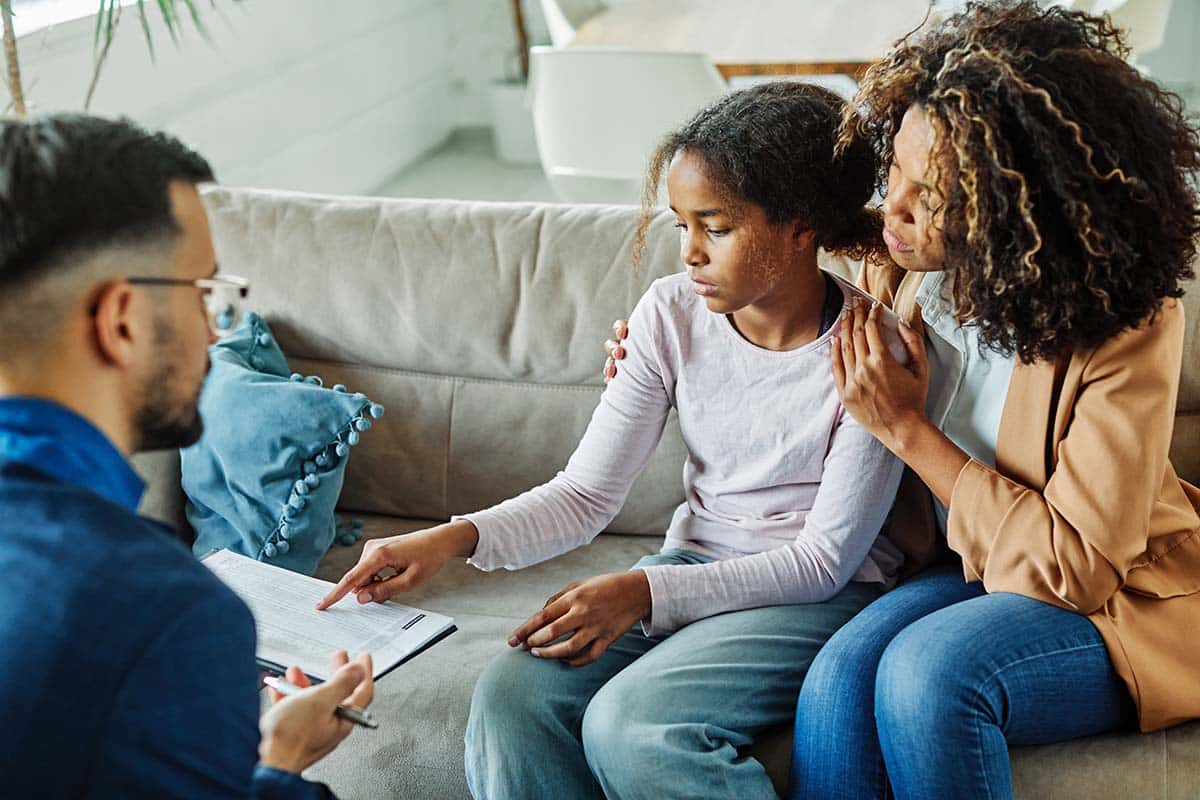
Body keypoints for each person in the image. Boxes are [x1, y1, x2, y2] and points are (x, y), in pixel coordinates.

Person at [608, 3, 1200, 798]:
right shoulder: (907, 262)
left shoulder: (1125, 323)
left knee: (927, 679)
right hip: (960, 571)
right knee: (835, 683)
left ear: (1019, 209)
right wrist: (656, 343)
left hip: (1110, 599)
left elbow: (1076, 568)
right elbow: (769, 226)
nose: (892, 209)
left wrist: (907, 428)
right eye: (897, 175)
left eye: (933, 194)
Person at [318, 82, 904, 800]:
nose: (688, 254)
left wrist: (643, 590)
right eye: (681, 225)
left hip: (817, 596)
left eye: (715, 228)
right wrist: (450, 539)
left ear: (801, 228)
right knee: (514, 697)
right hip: (696, 560)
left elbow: (820, 561)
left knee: (635, 727)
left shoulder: (873, 354)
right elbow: (587, 492)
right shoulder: (669, 313)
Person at [0, 113, 375, 799]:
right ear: (123, 320)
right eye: (203, 294)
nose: (213, 330)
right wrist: (281, 772)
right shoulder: (164, 614)